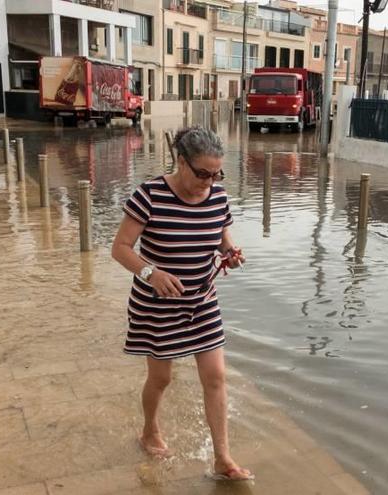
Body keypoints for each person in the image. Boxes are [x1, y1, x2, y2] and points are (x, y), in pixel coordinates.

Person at [111, 126, 253, 481]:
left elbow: (221, 235)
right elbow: (121, 249)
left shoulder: (218, 197)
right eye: (202, 172)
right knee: (161, 378)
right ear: (181, 161)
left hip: (202, 301)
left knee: (216, 376)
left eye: (216, 173)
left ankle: (222, 458)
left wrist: (230, 252)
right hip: (156, 305)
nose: (208, 181)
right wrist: (151, 274)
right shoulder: (150, 195)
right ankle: (149, 430)